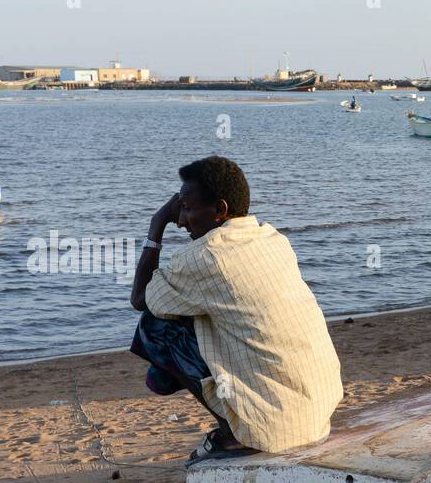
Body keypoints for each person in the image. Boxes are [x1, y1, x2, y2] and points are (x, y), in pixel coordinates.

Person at [129, 156, 343, 464]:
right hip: (319, 411)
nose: (182, 220)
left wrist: (156, 225)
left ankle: (232, 432)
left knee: (154, 325)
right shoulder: (272, 238)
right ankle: (172, 380)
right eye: (180, 209)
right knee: (190, 310)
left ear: (220, 210)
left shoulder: (206, 256)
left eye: (187, 208)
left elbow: (139, 299)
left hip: (276, 429)